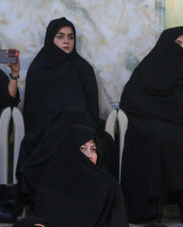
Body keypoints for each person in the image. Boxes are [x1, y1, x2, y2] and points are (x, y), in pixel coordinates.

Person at [119, 26, 183, 224]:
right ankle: (151, 210)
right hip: (154, 124)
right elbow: (130, 100)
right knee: (155, 140)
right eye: (178, 44)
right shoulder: (149, 68)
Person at [16, 17, 117, 210]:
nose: (66, 41)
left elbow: (92, 109)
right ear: (50, 39)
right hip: (47, 132)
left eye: (70, 37)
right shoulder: (39, 69)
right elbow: (33, 112)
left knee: (81, 123)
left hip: (81, 131)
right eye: (60, 36)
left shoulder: (83, 68)